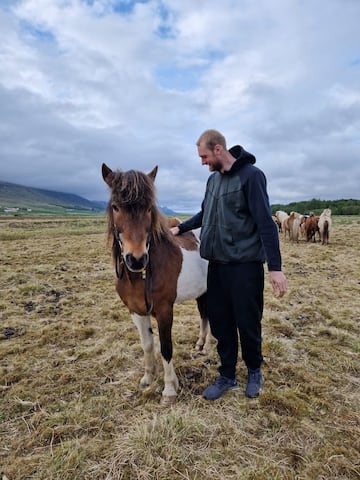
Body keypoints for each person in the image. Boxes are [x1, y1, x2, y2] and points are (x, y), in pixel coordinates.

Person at [170, 129, 288, 400]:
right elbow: (205, 213)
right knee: (221, 323)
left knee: (247, 321)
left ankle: (254, 371)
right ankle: (227, 376)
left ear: (218, 150)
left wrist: (276, 268)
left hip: (245, 266)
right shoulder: (213, 182)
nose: (202, 162)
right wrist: (181, 228)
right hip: (217, 266)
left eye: (203, 156)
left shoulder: (252, 177)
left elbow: (265, 224)